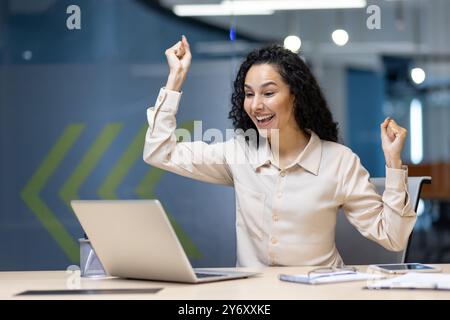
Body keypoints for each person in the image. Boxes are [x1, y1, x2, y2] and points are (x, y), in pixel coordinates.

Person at [143, 35, 416, 267]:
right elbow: (160, 152)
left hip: (318, 292)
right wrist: (175, 79)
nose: (256, 105)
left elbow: (393, 236)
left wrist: (393, 163)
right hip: (252, 298)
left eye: (268, 93)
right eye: (249, 94)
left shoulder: (339, 162)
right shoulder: (241, 153)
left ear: (295, 96)